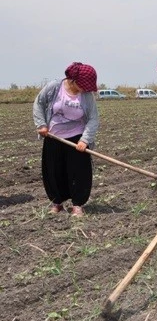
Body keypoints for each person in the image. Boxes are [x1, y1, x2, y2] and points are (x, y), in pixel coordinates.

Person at [32, 62, 100, 217]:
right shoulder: (54, 87)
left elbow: (93, 119)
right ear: (73, 80)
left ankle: (77, 205)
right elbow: (39, 104)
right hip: (53, 136)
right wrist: (41, 124)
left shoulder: (87, 96)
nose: (87, 89)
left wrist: (85, 139)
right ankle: (57, 204)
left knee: (79, 172)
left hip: (77, 139)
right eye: (83, 85)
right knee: (54, 172)